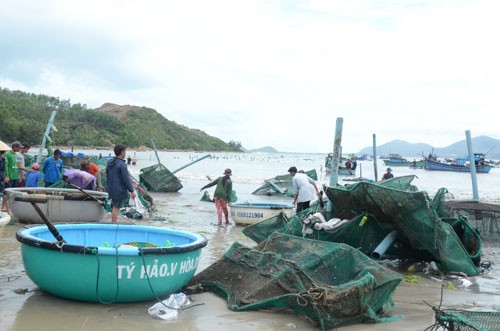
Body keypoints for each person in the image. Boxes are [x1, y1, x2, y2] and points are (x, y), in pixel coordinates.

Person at [106, 144, 136, 223]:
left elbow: (107, 175)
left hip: (111, 189)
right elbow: (126, 179)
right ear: (121, 152)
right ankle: (114, 224)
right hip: (119, 190)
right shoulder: (122, 164)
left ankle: (113, 223)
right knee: (116, 208)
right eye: (125, 151)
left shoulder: (110, 163)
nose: (125, 153)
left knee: (114, 207)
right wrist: (132, 190)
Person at [2, 141, 23, 211]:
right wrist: (7, 176)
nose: (20, 149)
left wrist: (18, 175)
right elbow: (6, 165)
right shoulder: (7, 154)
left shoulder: (15, 155)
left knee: (14, 192)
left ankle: (11, 206)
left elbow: (16, 166)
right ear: (15, 147)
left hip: (15, 176)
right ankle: (4, 206)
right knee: (6, 192)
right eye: (19, 147)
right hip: (10, 176)